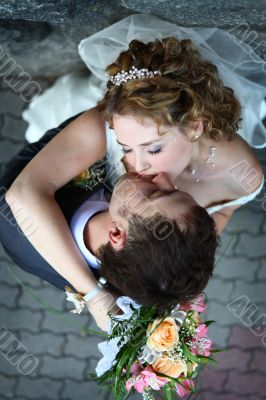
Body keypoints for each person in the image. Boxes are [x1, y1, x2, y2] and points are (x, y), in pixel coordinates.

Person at [2, 14, 264, 328]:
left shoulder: (242, 174)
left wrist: (180, 265)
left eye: (153, 149)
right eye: (125, 147)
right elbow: (24, 194)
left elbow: (219, 215)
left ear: (195, 126)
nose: (137, 165)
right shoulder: (109, 132)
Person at [0, 115, 218, 330]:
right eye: (176, 191)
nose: (164, 177)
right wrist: (92, 293)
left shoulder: (15, 223)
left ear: (116, 234)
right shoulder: (140, 271)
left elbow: (21, 194)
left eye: (155, 194)